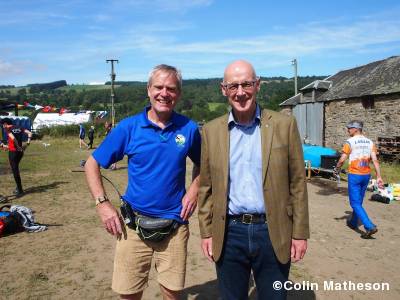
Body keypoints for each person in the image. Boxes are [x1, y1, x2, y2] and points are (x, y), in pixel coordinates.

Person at [85, 64, 201, 300]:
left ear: (177, 94)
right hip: (133, 227)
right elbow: (91, 164)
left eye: (171, 88)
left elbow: (203, 164)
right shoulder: (129, 127)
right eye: (158, 87)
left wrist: (194, 191)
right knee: (129, 294)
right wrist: (102, 204)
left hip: (175, 227)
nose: (164, 93)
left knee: (172, 293)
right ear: (148, 90)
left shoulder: (188, 128)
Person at [198, 60, 309, 300]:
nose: (240, 92)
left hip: (273, 231)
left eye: (246, 84)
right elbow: (205, 188)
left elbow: (298, 184)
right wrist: (207, 233)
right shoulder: (211, 131)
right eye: (233, 86)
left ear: (257, 85)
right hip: (229, 233)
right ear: (223, 89)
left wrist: (299, 234)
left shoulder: (284, 125)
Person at [334, 120, 383, 238]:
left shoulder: (350, 142)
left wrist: (337, 168)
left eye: (350, 128)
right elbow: (375, 160)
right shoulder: (370, 142)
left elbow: (342, 159)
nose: (348, 130)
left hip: (355, 175)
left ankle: (369, 226)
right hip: (366, 175)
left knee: (354, 202)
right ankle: (353, 222)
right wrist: (379, 176)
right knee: (359, 201)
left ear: (356, 129)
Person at [1, 118, 32, 197]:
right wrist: (27, 143)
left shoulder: (8, 129)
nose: (2, 126)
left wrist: (17, 146)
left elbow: (13, 138)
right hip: (20, 152)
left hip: (13, 153)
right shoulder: (19, 127)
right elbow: (30, 133)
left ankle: (20, 189)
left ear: (5, 124)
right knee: (16, 168)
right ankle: (18, 188)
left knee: (15, 170)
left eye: (2, 124)